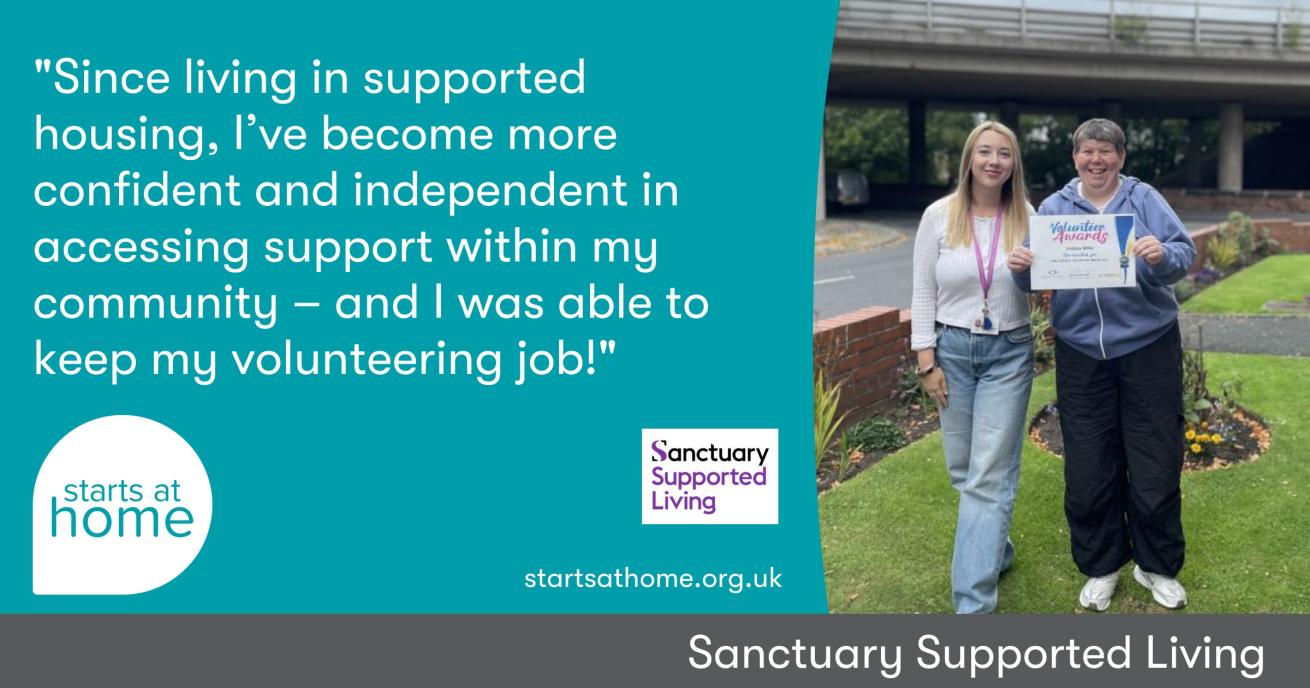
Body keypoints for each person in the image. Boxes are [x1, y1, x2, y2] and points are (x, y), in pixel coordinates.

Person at [1007, 118, 1196, 612]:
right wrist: (1021, 272)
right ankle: (1101, 564)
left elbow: (1184, 254)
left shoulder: (1144, 198)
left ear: (1121, 157)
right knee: (1089, 466)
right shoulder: (1053, 209)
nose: (1097, 160)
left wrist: (1160, 255)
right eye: (1088, 152)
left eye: (1106, 153)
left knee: (1154, 460)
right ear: (1075, 158)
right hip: (1081, 353)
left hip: (1147, 346)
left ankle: (1156, 565)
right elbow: (1034, 280)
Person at [911, 121, 1035, 614]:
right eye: (985, 151)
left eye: (1004, 153)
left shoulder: (1028, 215)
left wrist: (1031, 273)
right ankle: (995, 551)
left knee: (987, 475)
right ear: (969, 159)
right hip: (953, 352)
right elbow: (923, 290)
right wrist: (926, 361)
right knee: (964, 471)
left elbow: (1041, 289)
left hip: (1009, 350)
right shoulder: (939, 216)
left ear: (1013, 164)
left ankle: (973, 603)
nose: (993, 161)